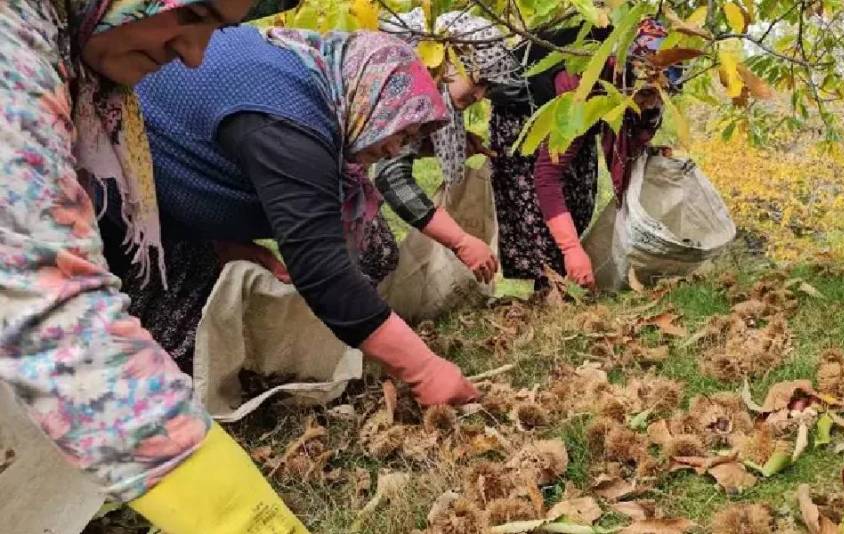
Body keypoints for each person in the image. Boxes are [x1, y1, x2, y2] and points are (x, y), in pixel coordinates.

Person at [0, 1, 316, 533]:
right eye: (192, 11)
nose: (193, 55)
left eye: (218, 28)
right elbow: (54, 307)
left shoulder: (80, 72)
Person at [119, 26, 480, 404]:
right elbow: (322, 271)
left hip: (160, 201)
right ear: (371, 94)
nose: (395, 149)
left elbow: (204, 139)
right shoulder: (291, 126)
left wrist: (226, 239)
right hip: (117, 206)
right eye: (399, 131)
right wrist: (424, 371)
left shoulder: (313, 81)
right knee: (153, 359)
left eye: (407, 142)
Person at [488, 20, 677, 289]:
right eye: (645, 93)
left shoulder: (640, 93)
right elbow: (547, 177)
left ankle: (567, 278)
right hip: (524, 114)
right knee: (538, 206)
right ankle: (551, 286)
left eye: (659, 94)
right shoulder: (582, 82)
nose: (651, 102)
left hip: (585, 110)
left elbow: (633, 138)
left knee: (580, 196)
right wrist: (571, 250)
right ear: (627, 76)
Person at [375, 9, 526, 284]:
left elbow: (390, 148)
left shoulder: (430, 83)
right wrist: (460, 241)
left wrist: (434, 147)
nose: (480, 95)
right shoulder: (402, 81)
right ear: (451, 60)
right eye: (479, 81)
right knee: (371, 252)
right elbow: (391, 177)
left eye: (488, 87)